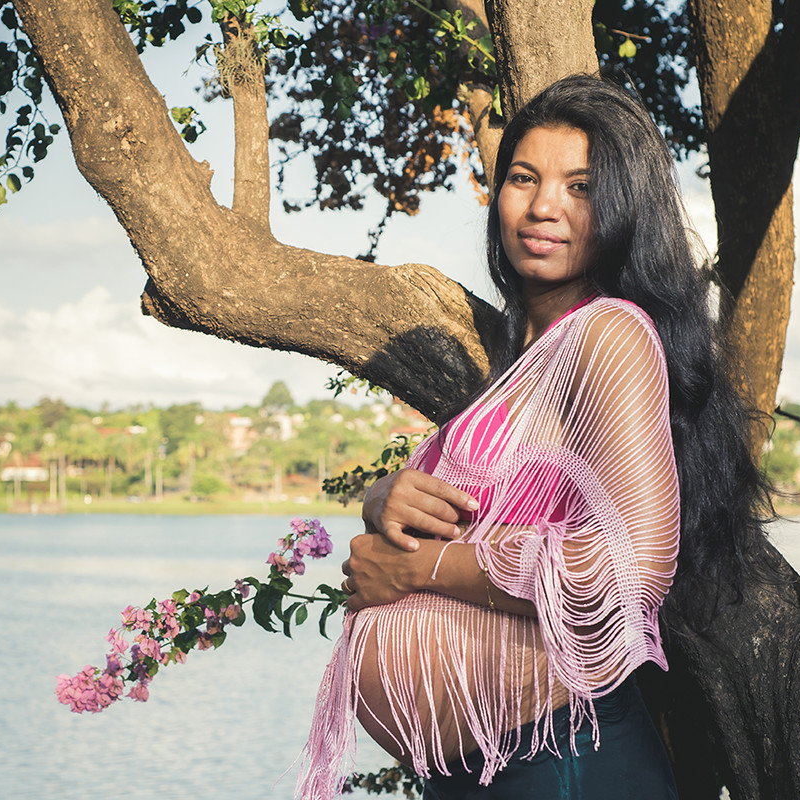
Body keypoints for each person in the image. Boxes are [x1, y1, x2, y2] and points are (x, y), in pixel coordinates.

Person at [296, 73, 773, 800]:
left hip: (565, 764)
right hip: (493, 769)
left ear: (622, 208)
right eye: (524, 178)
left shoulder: (606, 335)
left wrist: (417, 571)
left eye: (580, 187)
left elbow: (632, 568)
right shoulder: (529, 353)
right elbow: (495, 512)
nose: (543, 206)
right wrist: (386, 498)